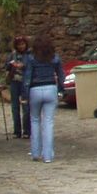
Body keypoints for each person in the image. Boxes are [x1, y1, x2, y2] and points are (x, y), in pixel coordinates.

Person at [22, 34, 64, 163]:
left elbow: (27, 77)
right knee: (48, 122)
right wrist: (61, 90)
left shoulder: (31, 59)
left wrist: (24, 95)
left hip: (35, 89)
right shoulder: (55, 58)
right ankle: (48, 156)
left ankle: (35, 152)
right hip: (51, 88)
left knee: (34, 120)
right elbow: (61, 75)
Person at [5, 35, 32, 139]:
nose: (21, 46)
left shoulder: (29, 55)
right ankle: (17, 131)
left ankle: (26, 131)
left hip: (25, 82)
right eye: (19, 45)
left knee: (26, 107)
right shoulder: (12, 55)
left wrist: (23, 66)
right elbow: (7, 67)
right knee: (14, 107)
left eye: (23, 44)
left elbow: (30, 67)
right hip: (14, 82)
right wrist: (11, 65)